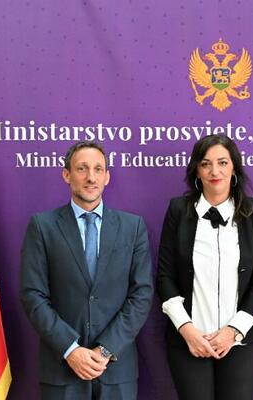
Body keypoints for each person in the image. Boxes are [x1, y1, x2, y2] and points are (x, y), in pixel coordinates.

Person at [20, 141, 154, 400]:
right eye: (82, 168)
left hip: (116, 370)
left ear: (107, 177)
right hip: (62, 369)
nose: (91, 177)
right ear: (66, 175)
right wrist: (70, 349)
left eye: (98, 169)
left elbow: (141, 294)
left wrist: (105, 350)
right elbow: (33, 295)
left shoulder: (133, 227)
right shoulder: (42, 226)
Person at [157, 134, 253, 400]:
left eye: (222, 162)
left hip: (241, 341)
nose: (214, 171)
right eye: (206, 164)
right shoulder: (178, 210)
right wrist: (186, 329)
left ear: (234, 168)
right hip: (189, 341)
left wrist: (234, 331)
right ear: (197, 171)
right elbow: (165, 276)